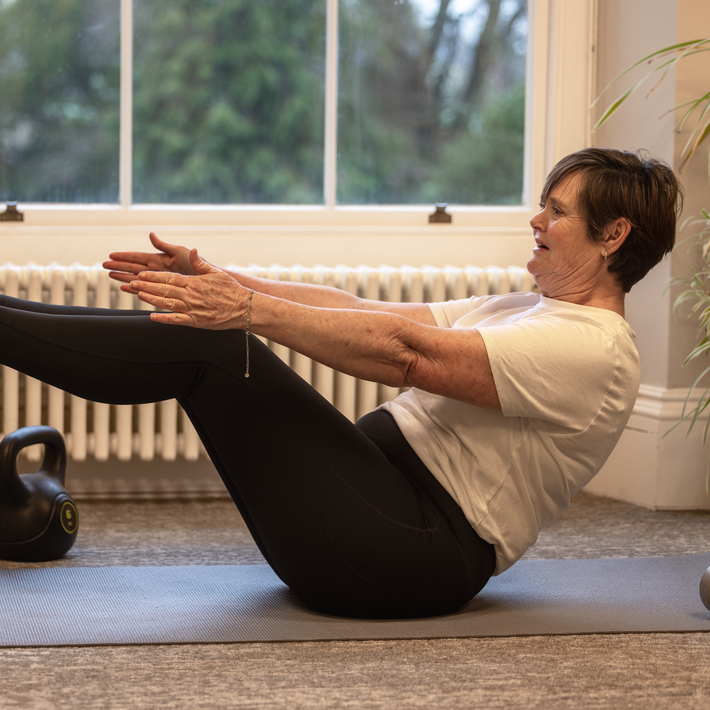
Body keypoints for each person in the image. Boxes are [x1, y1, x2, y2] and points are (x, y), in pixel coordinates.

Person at [0, 147, 681, 619]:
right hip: (375, 519)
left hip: (410, 553)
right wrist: (227, 283)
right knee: (209, 334)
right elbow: (368, 314)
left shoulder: (595, 350)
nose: (536, 221)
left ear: (613, 234)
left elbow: (406, 354)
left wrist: (246, 312)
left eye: (556, 212)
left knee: (207, 346)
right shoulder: (529, 309)